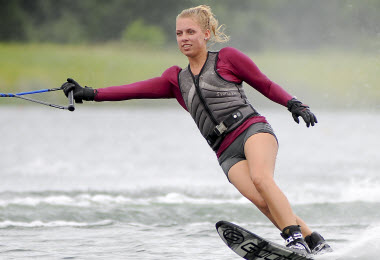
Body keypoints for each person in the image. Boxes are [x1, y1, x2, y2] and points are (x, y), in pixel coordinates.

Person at [61, 5, 332, 255]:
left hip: (252, 130)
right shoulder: (175, 79)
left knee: (262, 179)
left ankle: (293, 240)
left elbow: (266, 84)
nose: (184, 38)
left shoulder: (227, 58)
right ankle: (314, 241)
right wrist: (89, 92)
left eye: (190, 32)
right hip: (225, 151)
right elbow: (131, 90)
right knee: (260, 200)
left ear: (206, 34)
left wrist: (294, 103)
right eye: (179, 33)